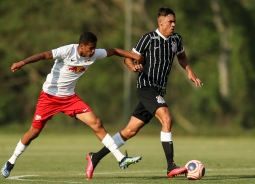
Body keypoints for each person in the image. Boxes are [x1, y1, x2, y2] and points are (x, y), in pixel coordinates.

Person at [0, 31, 143, 178]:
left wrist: (135, 56)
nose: (93, 51)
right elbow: (43, 55)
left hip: (70, 99)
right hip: (49, 98)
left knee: (97, 123)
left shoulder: (93, 54)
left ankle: (120, 159)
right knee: (33, 133)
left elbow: (114, 51)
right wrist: (22, 62)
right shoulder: (67, 51)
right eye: (91, 48)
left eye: (95, 48)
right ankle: (11, 162)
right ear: (81, 46)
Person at [85, 7, 203, 179]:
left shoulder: (176, 39)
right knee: (167, 118)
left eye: (174, 21)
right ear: (160, 22)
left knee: (130, 131)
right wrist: (134, 67)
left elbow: (182, 57)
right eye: (170, 22)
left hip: (159, 90)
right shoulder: (148, 39)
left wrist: (189, 71)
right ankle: (171, 166)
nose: (173, 25)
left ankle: (95, 157)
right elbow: (128, 58)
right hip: (147, 87)